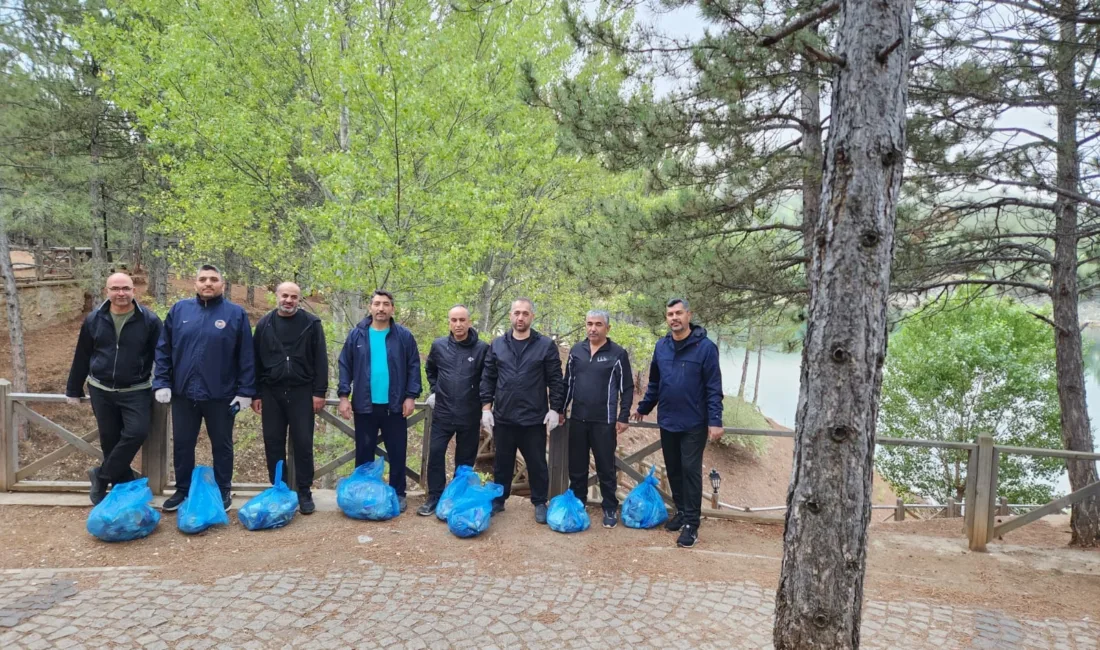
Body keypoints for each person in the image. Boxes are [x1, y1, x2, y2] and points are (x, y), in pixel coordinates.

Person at [154, 264, 257, 512]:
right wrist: (162, 382)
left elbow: (246, 355)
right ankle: (182, 490)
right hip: (183, 394)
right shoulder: (180, 310)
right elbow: (163, 349)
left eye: (213, 279)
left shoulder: (235, 314)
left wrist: (245, 391)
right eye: (203, 279)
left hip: (221, 396)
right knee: (182, 444)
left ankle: (223, 489)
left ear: (222, 284)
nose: (207, 283)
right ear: (195, 283)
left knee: (222, 445)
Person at [632, 298, 723, 548]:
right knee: (673, 469)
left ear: (688, 315)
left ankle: (692, 524)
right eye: (670, 314)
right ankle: (681, 512)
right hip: (668, 419)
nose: (674, 318)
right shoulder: (661, 346)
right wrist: (644, 407)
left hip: (694, 422)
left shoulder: (705, 348)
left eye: (679, 313)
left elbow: (714, 387)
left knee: (690, 470)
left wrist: (715, 420)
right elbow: (655, 383)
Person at [65, 272, 163, 505]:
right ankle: (120, 493)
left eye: (126, 288)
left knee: (137, 432)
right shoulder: (94, 319)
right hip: (101, 389)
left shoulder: (149, 320)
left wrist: (164, 383)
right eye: (116, 288)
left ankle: (101, 476)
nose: (121, 293)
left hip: (137, 389)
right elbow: (83, 355)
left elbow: (162, 356)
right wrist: (73, 388)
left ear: (133, 291)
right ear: (106, 291)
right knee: (109, 441)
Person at [480, 298, 566, 524]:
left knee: (537, 462)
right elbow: (488, 378)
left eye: (525, 313)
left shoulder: (545, 345)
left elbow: (556, 379)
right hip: (504, 417)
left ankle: (539, 502)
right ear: (510, 315)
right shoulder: (498, 344)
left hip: (534, 417)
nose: (520, 317)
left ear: (532, 317)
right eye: (517, 313)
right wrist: (486, 408)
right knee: (502, 462)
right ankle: (499, 500)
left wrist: (555, 408)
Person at [337, 289, 421, 513]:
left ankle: (397, 493)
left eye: (385, 304)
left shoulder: (403, 336)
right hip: (364, 405)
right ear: (370, 307)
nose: (381, 308)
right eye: (377, 304)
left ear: (392, 308)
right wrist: (343, 396)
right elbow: (344, 365)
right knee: (364, 451)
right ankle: (363, 495)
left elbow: (414, 366)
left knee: (397, 452)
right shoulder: (357, 335)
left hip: (395, 406)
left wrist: (411, 396)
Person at [251, 282, 327, 515]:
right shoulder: (264, 324)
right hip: (271, 391)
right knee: (273, 442)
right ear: (276, 297)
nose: (289, 300)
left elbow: (320, 360)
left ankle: (304, 490)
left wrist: (319, 392)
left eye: (294, 297)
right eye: (285, 295)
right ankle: (279, 487)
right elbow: (254, 360)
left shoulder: (312, 324)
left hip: (302, 391)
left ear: (299, 299)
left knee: (303, 442)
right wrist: (255, 393)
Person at [563, 309, 634, 528]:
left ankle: (610, 508)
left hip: (605, 421)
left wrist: (623, 417)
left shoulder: (617, 353)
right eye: (589, 324)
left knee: (605, 467)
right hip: (578, 419)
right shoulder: (576, 351)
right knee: (577, 467)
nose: (593, 328)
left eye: (598, 324)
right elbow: (568, 383)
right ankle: (577, 505)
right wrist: (559, 409)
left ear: (607, 328)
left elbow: (627, 388)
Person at [418, 305, 490, 516]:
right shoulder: (439, 346)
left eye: (462, 320)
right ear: (449, 322)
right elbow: (430, 368)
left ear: (469, 322)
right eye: (454, 320)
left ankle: (459, 497)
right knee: (436, 454)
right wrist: (434, 389)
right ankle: (435, 496)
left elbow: (486, 380)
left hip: (469, 413)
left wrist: (485, 407)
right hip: (443, 412)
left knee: (465, 460)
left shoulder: (482, 349)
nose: (458, 324)